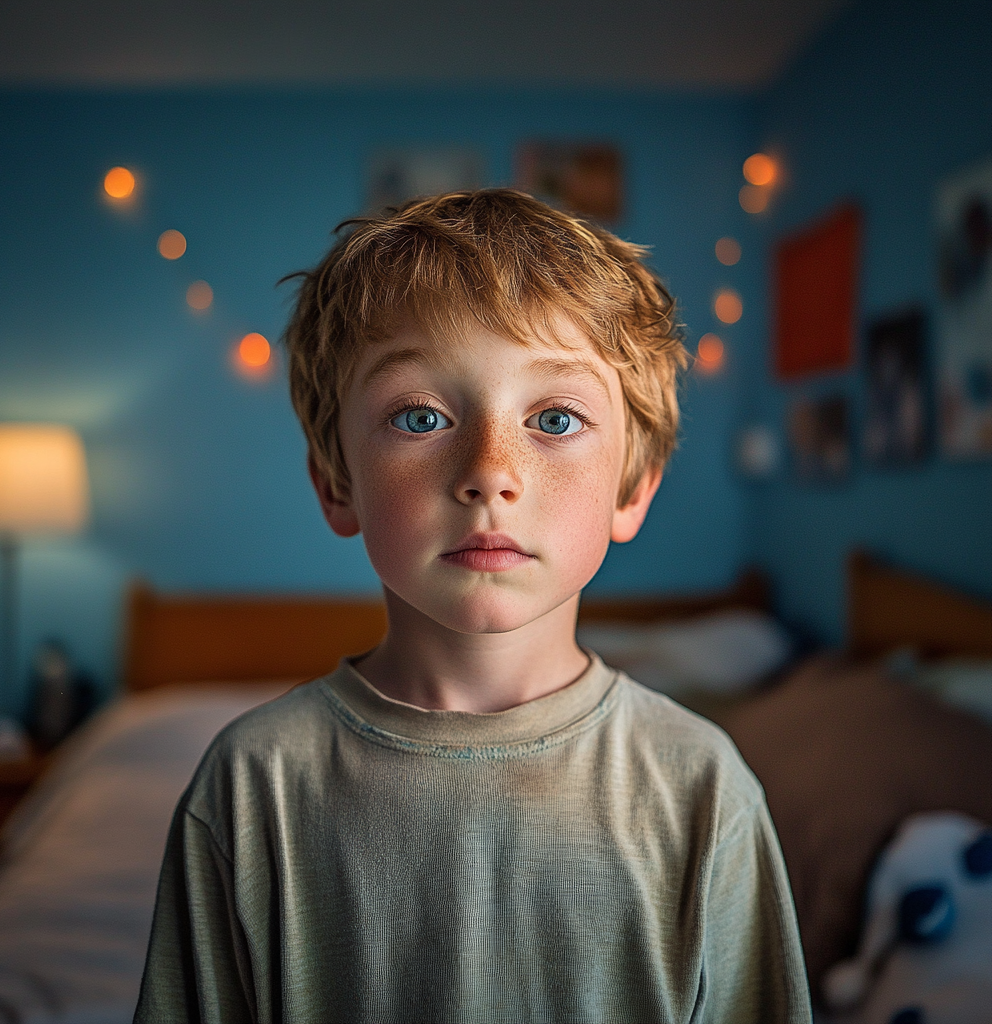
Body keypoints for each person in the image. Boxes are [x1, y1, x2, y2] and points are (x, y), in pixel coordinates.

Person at [134, 190, 811, 1023]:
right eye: (421, 416)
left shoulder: (702, 788)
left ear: (631, 489)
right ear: (336, 483)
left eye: (555, 418)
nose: (490, 471)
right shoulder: (252, 787)